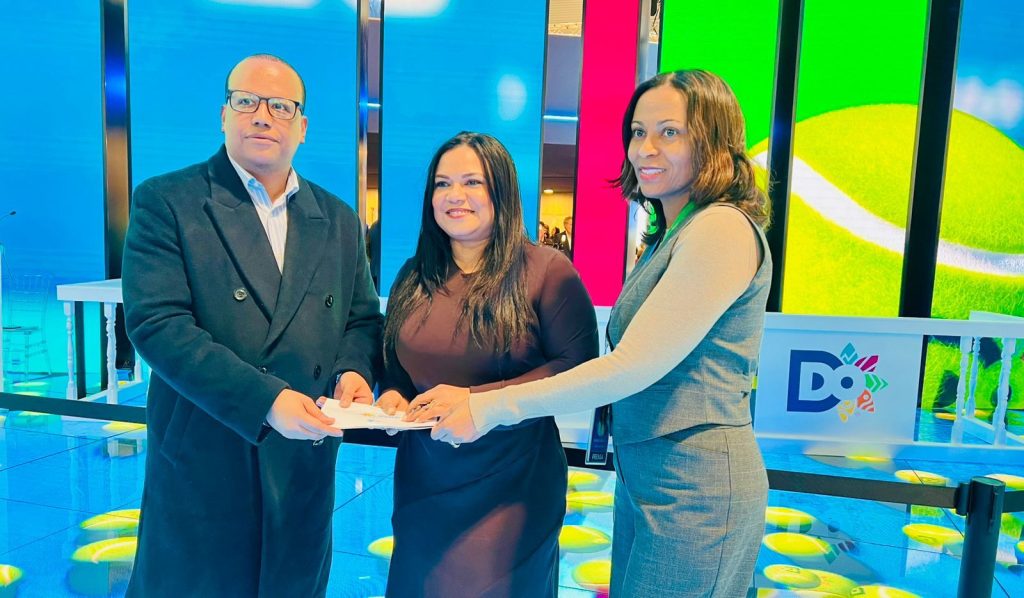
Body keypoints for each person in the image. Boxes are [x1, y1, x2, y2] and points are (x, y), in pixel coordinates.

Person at [413, 70, 772, 597]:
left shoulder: (720, 228)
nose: (644, 149)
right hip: (650, 477)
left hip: (699, 484)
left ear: (715, 141)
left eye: (669, 132)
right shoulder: (670, 233)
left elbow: (632, 365)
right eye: (637, 132)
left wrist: (486, 406)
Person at [121, 54, 382, 597]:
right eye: (247, 101)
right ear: (224, 115)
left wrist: (351, 372)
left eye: (281, 106)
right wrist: (266, 400)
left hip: (304, 459)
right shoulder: (169, 201)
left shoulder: (337, 219)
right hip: (205, 458)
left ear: (302, 127)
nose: (263, 116)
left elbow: (360, 318)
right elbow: (158, 325)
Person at [378, 131, 599, 597]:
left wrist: (474, 401)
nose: (454, 196)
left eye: (472, 182)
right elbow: (395, 368)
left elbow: (579, 369)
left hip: (511, 485)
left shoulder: (546, 271)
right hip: (426, 478)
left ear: (502, 190)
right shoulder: (414, 274)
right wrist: (393, 395)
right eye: (442, 184)